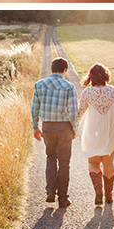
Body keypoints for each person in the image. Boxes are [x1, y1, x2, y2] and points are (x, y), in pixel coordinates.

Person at [78, 63, 114, 205]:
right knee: (108, 162)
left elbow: (79, 114)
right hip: (111, 131)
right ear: (106, 75)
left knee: (93, 162)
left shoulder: (87, 93)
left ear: (91, 77)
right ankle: (109, 195)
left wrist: (70, 126)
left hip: (93, 131)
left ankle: (98, 191)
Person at [31, 57, 78, 208]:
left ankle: (50, 191)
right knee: (64, 162)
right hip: (65, 128)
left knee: (51, 157)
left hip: (48, 127)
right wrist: (75, 129)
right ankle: (63, 198)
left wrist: (35, 127)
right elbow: (72, 112)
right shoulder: (69, 87)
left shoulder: (39, 85)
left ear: (51, 69)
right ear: (65, 70)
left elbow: (34, 109)